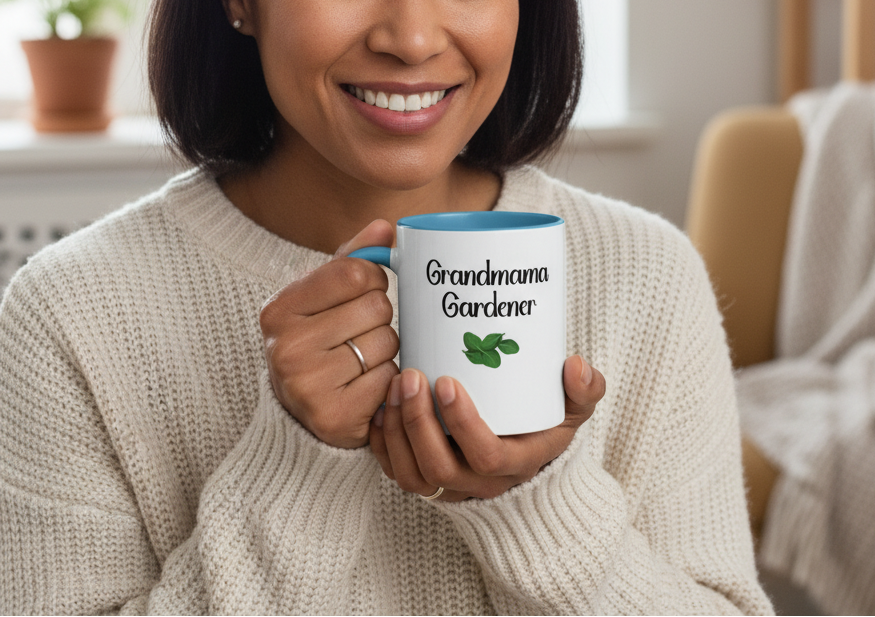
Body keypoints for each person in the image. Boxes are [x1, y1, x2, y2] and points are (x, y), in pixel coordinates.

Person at [0, 1, 772, 614]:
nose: (411, 38)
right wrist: (297, 469)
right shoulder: (69, 313)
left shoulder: (645, 272)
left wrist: (538, 507)